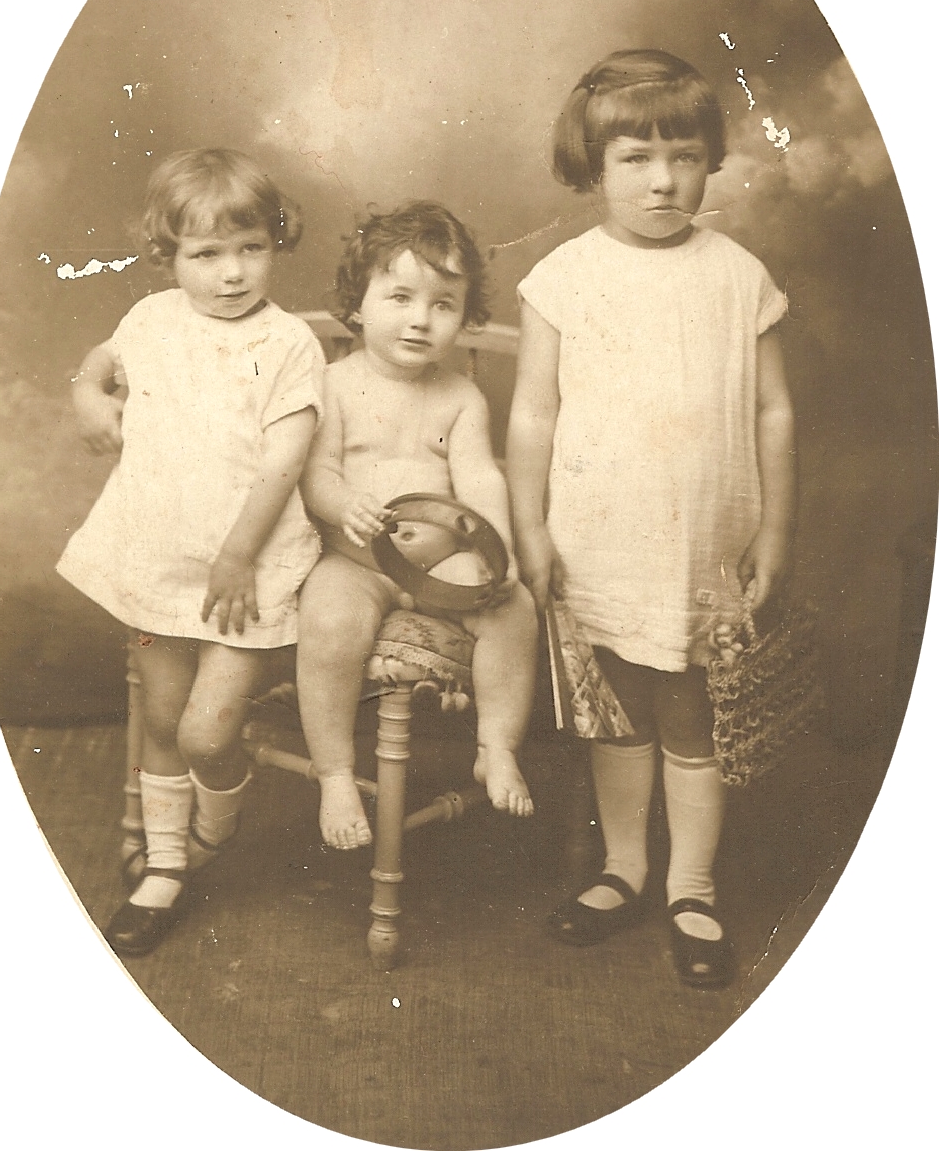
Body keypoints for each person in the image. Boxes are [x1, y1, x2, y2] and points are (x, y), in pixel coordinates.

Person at [506, 50, 796, 988]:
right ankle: (625, 868)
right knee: (621, 709)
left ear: (710, 160)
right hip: (600, 537)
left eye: (684, 156)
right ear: (593, 167)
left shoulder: (739, 275)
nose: (663, 180)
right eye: (635, 158)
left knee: (692, 711)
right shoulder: (563, 277)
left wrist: (775, 529)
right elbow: (534, 415)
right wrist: (531, 529)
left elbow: (773, 411)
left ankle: (691, 887)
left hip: (706, 541)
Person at [58, 148, 324, 956]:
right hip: (158, 557)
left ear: (276, 242)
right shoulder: (151, 320)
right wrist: (87, 390)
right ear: (167, 254)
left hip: (244, 568)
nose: (232, 272)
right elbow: (104, 358)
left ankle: (215, 824)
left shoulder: (288, 343)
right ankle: (167, 866)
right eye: (206, 254)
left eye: (251, 248)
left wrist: (238, 557)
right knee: (165, 718)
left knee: (207, 734)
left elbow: (285, 462)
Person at [297, 201, 538, 850]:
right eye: (400, 297)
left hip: (441, 563)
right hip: (357, 563)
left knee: (513, 608)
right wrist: (343, 505)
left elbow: (480, 479)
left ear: (464, 315)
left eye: (443, 304)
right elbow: (316, 473)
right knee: (327, 620)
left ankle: (496, 746)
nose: (420, 319)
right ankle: (336, 774)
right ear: (358, 303)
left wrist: (498, 552)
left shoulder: (460, 397)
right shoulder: (333, 385)